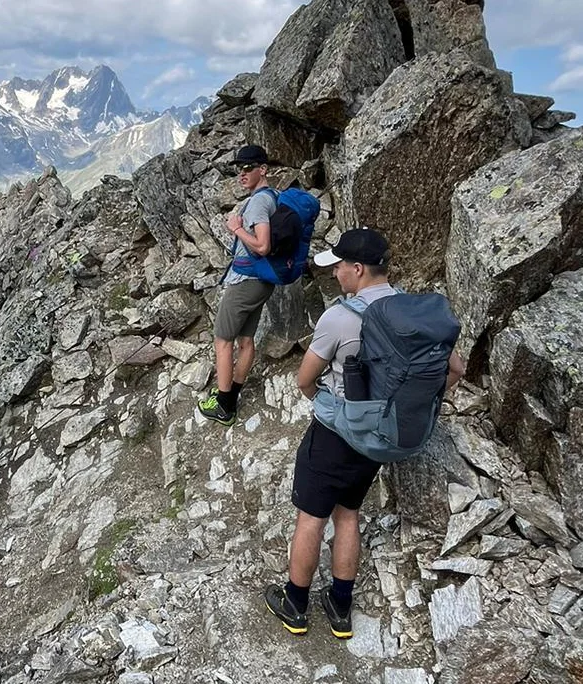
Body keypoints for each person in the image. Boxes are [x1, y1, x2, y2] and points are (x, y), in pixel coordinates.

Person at [263, 228, 464, 637]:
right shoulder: (413, 313)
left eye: (339, 266)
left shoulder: (341, 316)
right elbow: (456, 369)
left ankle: (295, 604)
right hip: (381, 439)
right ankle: (339, 610)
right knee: (348, 514)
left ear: (357, 269)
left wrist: (324, 400)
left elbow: (305, 379)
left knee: (311, 518)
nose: (335, 273)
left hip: (335, 434)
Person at [197, 144, 302, 426]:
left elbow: (263, 245)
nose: (241, 174)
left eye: (247, 168)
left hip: (246, 281)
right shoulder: (273, 197)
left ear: (262, 169)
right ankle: (231, 399)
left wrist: (236, 228)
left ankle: (222, 405)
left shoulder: (257, 202)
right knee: (245, 342)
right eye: (238, 169)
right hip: (261, 282)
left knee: (222, 341)